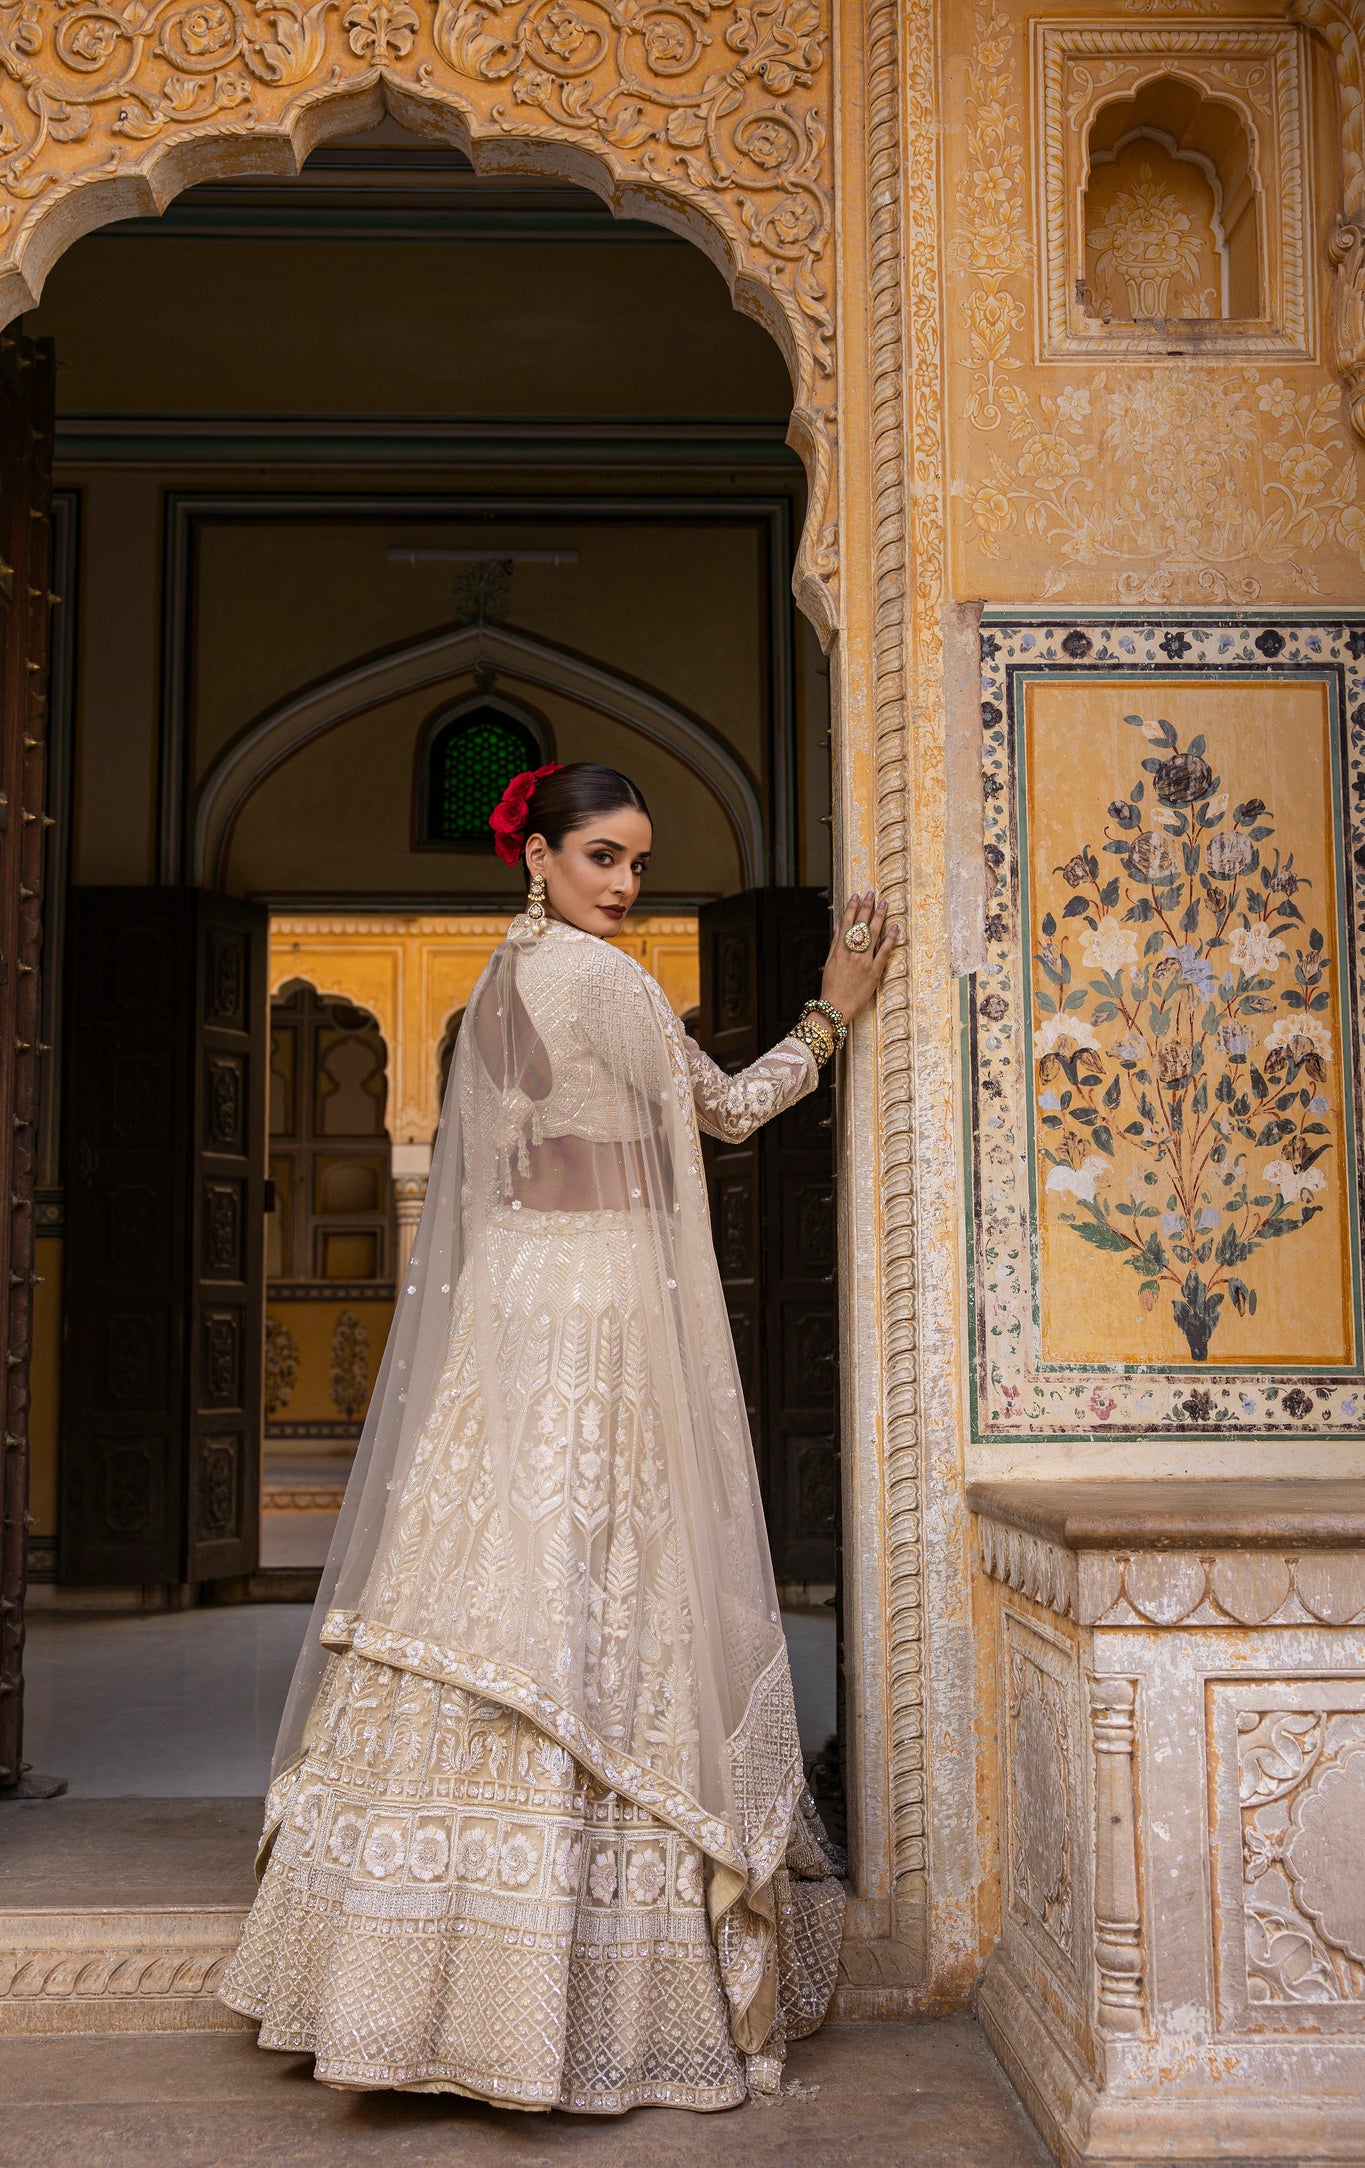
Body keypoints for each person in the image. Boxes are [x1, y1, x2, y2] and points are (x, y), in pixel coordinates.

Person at [220, 761, 899, 2111]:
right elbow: (728, 1109)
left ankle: (395, 1983)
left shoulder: (496, 984)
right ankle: (556, 1989)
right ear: (535, 853)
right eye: (602, 857)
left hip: (512, 1302)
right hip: (593, 1306)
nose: (627, 887)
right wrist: (834, 1011)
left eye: (637, 862)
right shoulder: (604, 984)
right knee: (595, 1585)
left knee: (486, 1577)